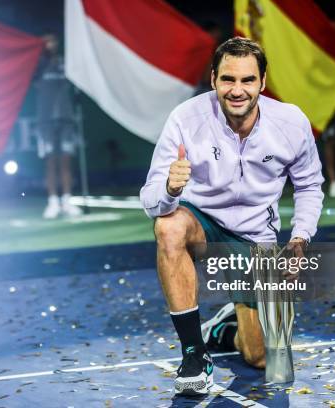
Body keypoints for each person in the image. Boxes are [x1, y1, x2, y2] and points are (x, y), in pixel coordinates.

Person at [139, 37, 324, 395]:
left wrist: (300, 238)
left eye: (247, 80)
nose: (237, 90)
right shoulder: (185, 118)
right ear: (213, 80)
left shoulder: (290, 122)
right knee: (168, 225)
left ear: (263, 82)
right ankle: (195, 354)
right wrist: (170, 190)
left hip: (257, 239)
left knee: (265, 359)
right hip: (202, 226)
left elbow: (310, 185)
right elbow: (150, 201)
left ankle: (226, 327)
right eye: (228, 79)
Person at [35, 34, 82, 219]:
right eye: (45, 41)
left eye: (53, 40)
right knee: (50, 162)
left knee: (65, 161)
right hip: (45, 120)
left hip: (66, 118)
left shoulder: (67, 63)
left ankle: (67, 201)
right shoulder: (37, 65)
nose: (50, 44)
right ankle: (52, 202)